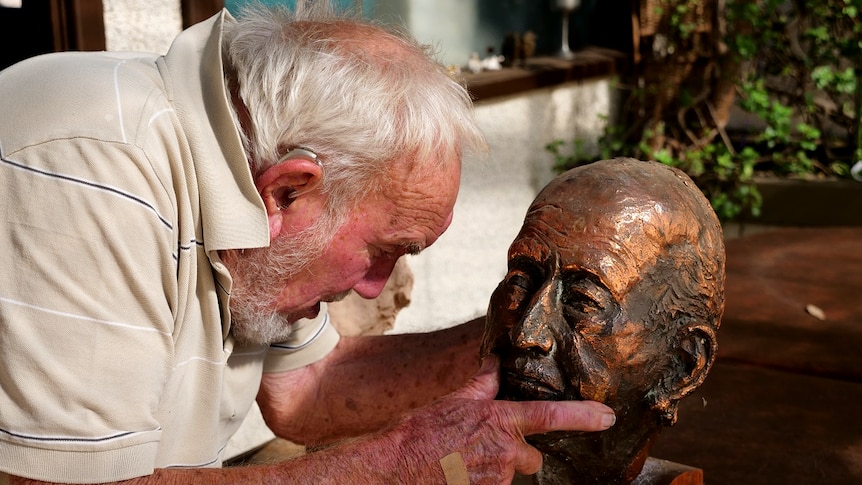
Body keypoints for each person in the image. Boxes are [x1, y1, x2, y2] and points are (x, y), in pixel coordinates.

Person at [0, 2, 617, 484]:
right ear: (289, 190)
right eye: (386, 249)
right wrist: (390, 467)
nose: (379, 285)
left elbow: (312, 390)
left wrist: (524, 335)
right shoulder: (93, 168)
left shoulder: (250, 178)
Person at [481, 159, 726, 484]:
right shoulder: (452, 459)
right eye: (522, 280)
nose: (528, 334)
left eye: (582, 302)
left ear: (682, 366)